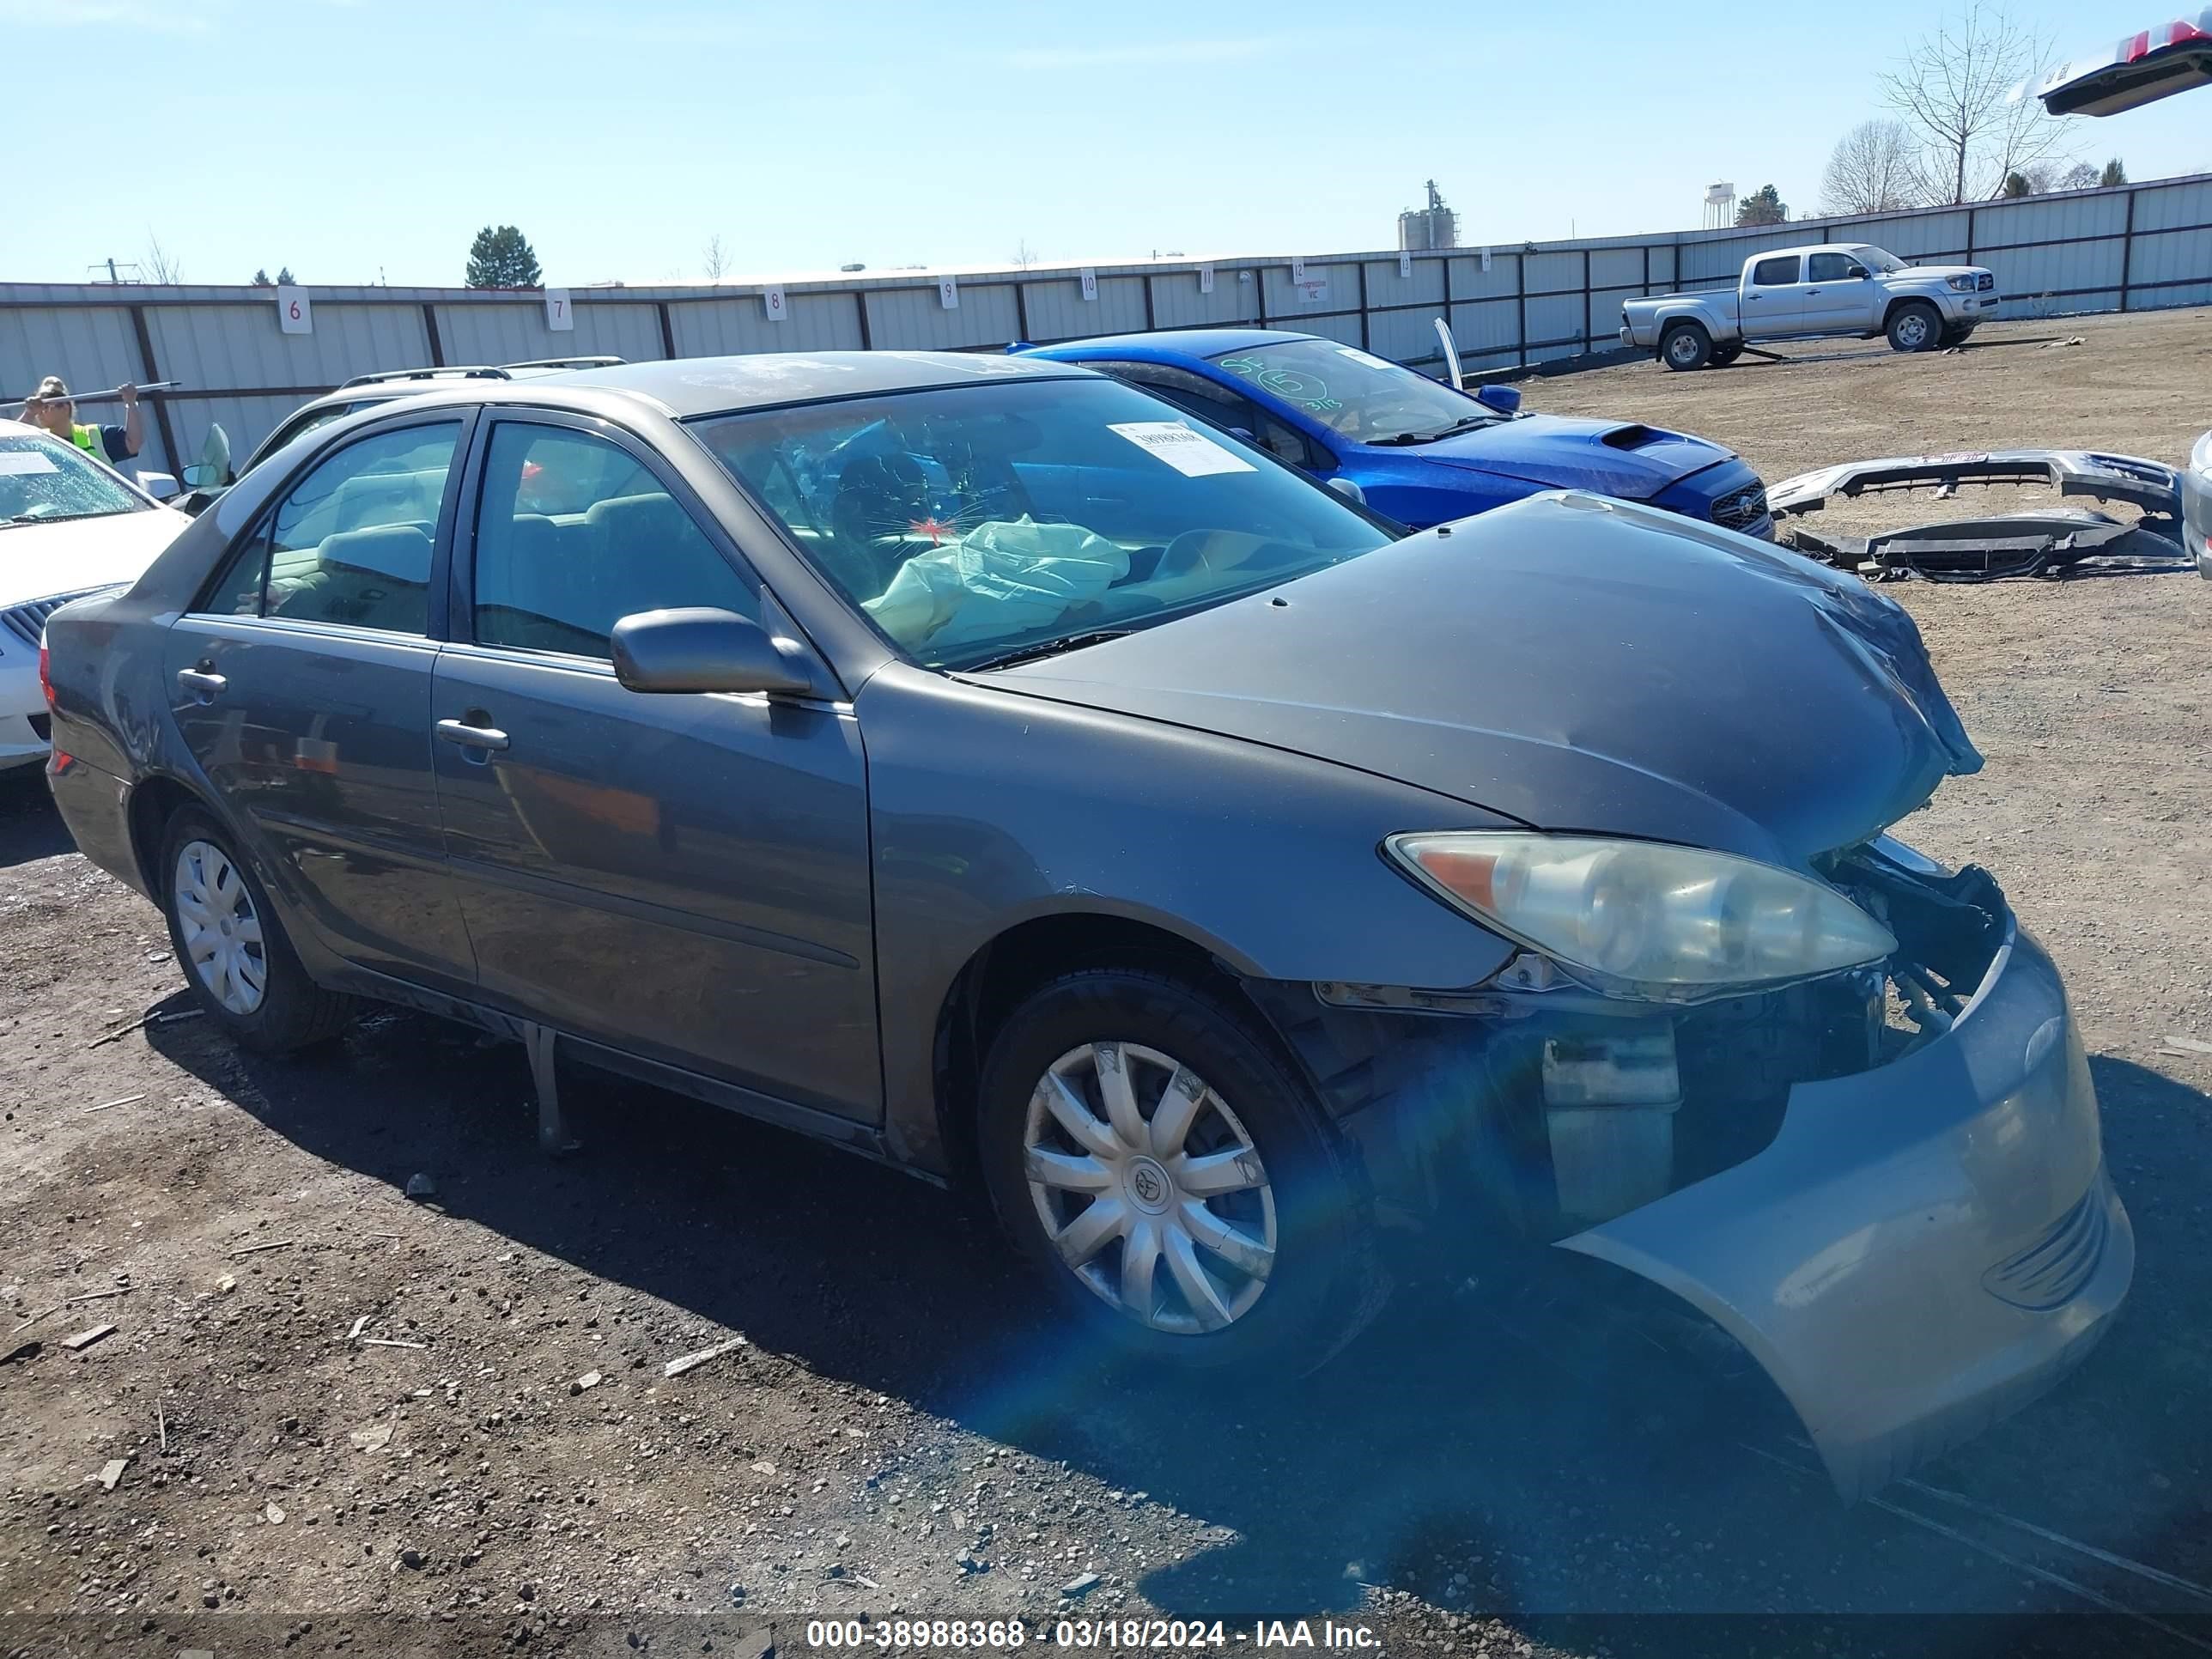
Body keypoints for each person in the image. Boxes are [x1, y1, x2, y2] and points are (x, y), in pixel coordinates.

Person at [18, 375, 143, 468]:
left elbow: (134, 443)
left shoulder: (96, 435)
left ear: (65, 408)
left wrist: (131, 404)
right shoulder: (38, 440)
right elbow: (9, 448)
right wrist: (29, 414)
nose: (40, 413)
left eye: (46, 407)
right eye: (38, 408)